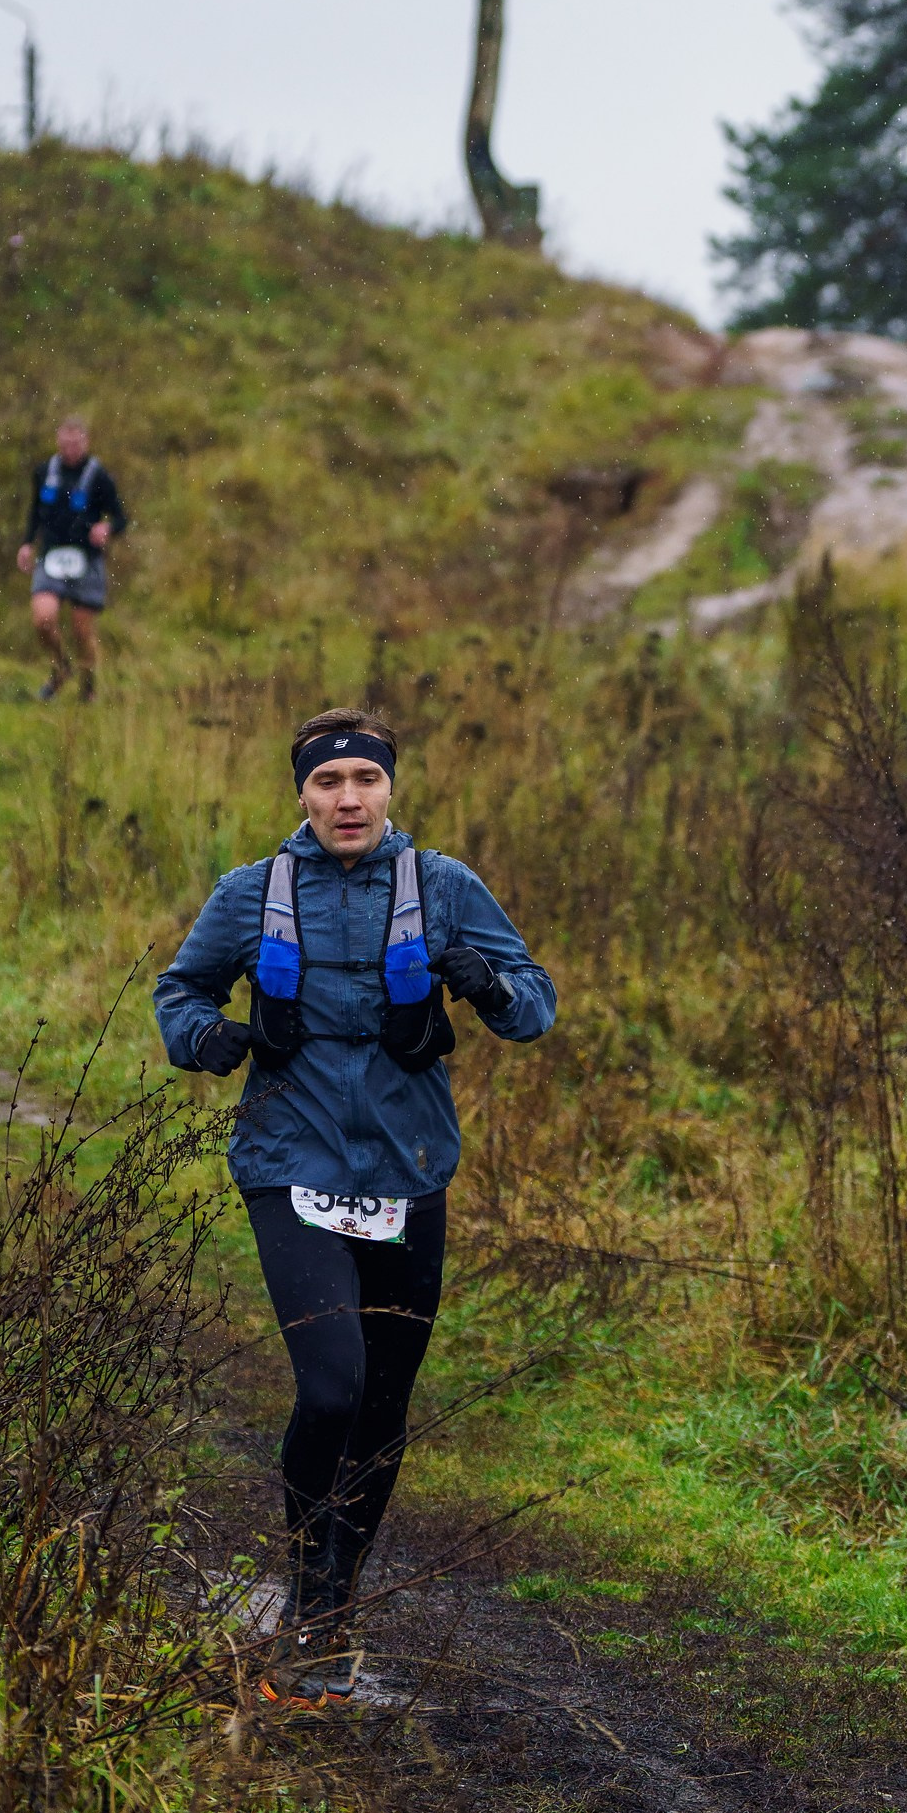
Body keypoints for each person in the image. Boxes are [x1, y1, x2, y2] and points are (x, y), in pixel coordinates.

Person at [154, 705, 555, 1700]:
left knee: (381, 1405)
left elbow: (534, 1005)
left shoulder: (443, 887)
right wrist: (207, 1040)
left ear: (389, 788)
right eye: (328, 782)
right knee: (332, 1386)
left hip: (408, 1170)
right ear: (301, 793)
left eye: (364, 780)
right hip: (287, 1163)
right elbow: (181, 992)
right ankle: (308, 1594)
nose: (347, 799)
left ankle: (332, 1609)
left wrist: (488, 986)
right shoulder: (252, 893)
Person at [16, 413, 127, 700]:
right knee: (43, 619)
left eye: (76, 445)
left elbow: (121, 518)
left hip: (86, 559)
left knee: (82, 631)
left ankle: (88, 687)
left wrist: (107, 528)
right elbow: (34, 512)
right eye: (65, 445)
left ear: (85, 442)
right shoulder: (44, 472)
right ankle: (61, 667)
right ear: (58, 442)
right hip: (51, 555)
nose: (70, 451)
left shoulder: (99, 476)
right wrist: (27, 543)